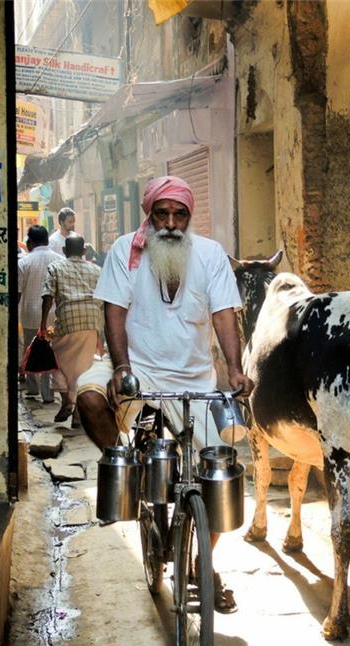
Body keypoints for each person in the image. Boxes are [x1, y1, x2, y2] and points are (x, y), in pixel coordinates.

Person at [76, 176, 254, 612]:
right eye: (162, 214)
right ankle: (127, 469)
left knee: (221, 474)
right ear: (149, 216)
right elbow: (113, 312)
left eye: (180, 215)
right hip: (138, 375)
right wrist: (120, 367)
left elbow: (225, 315)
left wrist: (234, 369)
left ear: (189, 218)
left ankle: (200, 563)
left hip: (194, 384)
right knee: (88, 397)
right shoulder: (125, 252)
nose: (171, 224)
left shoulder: (210, 256)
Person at [40, 234, 103, 426]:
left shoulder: (56, 267)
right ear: (84, 251)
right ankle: (77, 412)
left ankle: (68, 400)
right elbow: (106, 299)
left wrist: (43, 324)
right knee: (84, 367)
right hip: (92, 321)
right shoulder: (97, 270)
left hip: (67, 319)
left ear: (64, 251)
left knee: (57, 362)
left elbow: (48, 296)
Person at [18, 225, 63, 402]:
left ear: (32, 241)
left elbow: (18, 292)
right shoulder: (59, 260)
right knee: (50, 352)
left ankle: (33, 388)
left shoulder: (24, 262)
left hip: (30, 313)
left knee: (30, 351)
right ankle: (48, 393)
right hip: (53, 314)